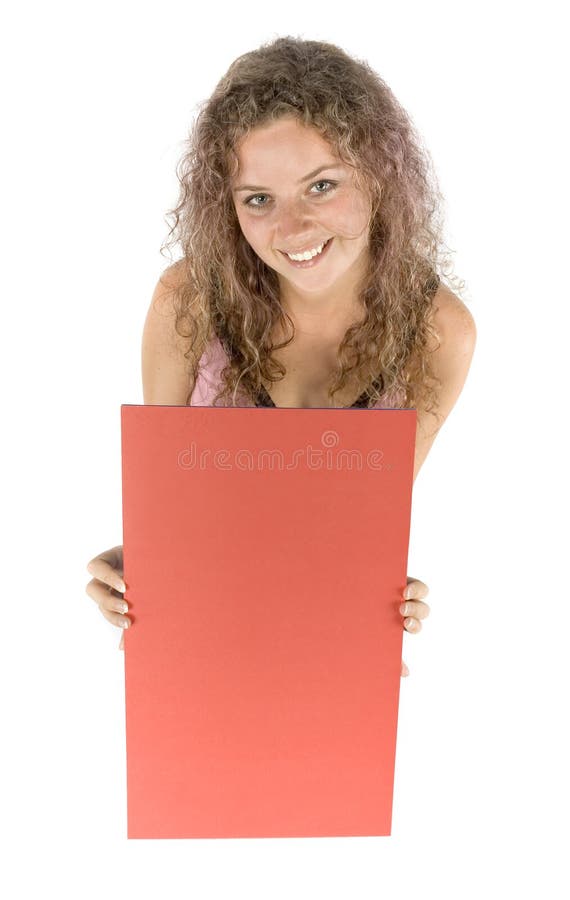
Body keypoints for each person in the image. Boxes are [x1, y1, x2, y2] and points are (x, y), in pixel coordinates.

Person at [85, 36, 476, 677]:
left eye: (321, 186)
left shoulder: (438, 334)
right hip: (195, 649)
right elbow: (170, 509)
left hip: (323, 658)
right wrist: (140, 567)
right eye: (258, 199)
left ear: (379, 173)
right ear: (227, 204)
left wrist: (377, 607)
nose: (291, 230)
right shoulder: (190, 300)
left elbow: (351, 539)